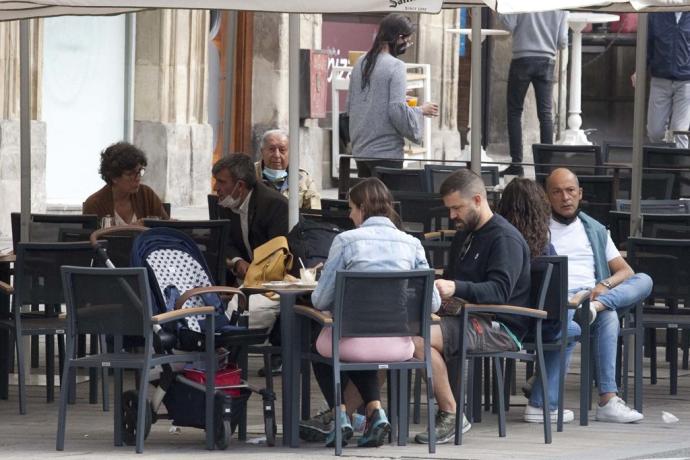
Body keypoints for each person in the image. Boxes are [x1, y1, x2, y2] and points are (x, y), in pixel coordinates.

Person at [305, 177, 441, 448]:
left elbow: (320, 299)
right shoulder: (412, 243)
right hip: (399, 343)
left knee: (316, 335)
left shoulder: (345, 241)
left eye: (352, 208)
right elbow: (433, 303)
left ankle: (341, 414)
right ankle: (375, 411)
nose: (350, 214)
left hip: (353, 340)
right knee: (357, 338)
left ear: (363, 208)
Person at [413, 169, 532, 444]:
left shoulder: (505, 238)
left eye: (457, 207)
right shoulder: (464, 234)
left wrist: (456, 288)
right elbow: (455, 282)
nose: (452, 215)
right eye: (450, 209)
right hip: (463, 315)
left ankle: (452, 414)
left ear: (478, 199)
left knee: (417, 340)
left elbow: (500, 291)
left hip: (500, 325)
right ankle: (356, 411)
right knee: (389, 332)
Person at [543, 168, 652, 423]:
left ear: (580, 194)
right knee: (610, 316)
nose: (565, 197)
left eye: (570, 191)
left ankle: (599, 306)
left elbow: (625, 271)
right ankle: (607, 399)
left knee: (644, 280)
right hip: (561, 300)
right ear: (547, 196)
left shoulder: (594, 228)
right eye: (557, 192)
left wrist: (604, 285)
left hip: (592, 297)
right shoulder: (540, 228)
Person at [496, 177, 579, 424]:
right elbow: (554, 299)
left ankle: (541, 385)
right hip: (536, 326)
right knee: (572, 328)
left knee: (571, 325)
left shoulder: (497, 238)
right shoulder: (543, 245)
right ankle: (542, 403)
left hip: (496, 320)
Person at [347, 13, 438, 178]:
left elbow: (353, 103)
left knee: (367, 202)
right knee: (384, 202)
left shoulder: (361, 62)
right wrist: (420, 110)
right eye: (408, 41)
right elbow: (396, 111)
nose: (407, 45)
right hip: (386, 151)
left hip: (361, 149)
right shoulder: (396, 66)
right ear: (399, 38)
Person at [498, 11, 569, 177]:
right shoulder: (561, 5)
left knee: (515, 112)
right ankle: (545, 167)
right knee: (546, 115)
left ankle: (516, 164)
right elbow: (562, 41)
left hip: (522, 58)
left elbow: (509, 23)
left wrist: (500, 10)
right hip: (547, 60)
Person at [212, 153, 289, 280]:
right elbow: (224, 241)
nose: (216, 188)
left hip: (273, 281)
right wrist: (237, 261)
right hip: (242, 280)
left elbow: (277, 253)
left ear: (240, 186)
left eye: (221, 182)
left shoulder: (274, 205)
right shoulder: (226, 202)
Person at [83, 141, 169, 224]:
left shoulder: (147, 195)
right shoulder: (94, 204)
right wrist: (134, 228)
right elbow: (92, 237)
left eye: (140, 171)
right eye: (131, 174)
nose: (138, 178)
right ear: (114, 177)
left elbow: (166, 227)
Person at [641, 12, 690, 148]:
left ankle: (681, 167)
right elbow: (647, 45)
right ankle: (665, 159)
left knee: (679, 130)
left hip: (686, 81)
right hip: (660, 79)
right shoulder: (656, 14)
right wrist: (639, 69)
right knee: (655, 132)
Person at [254, 129, 321, 209]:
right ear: (262, 151)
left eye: (282, 150)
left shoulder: (303, 179)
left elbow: (314, 214)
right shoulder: (250, 173)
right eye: (271, 149)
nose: (277, 155)